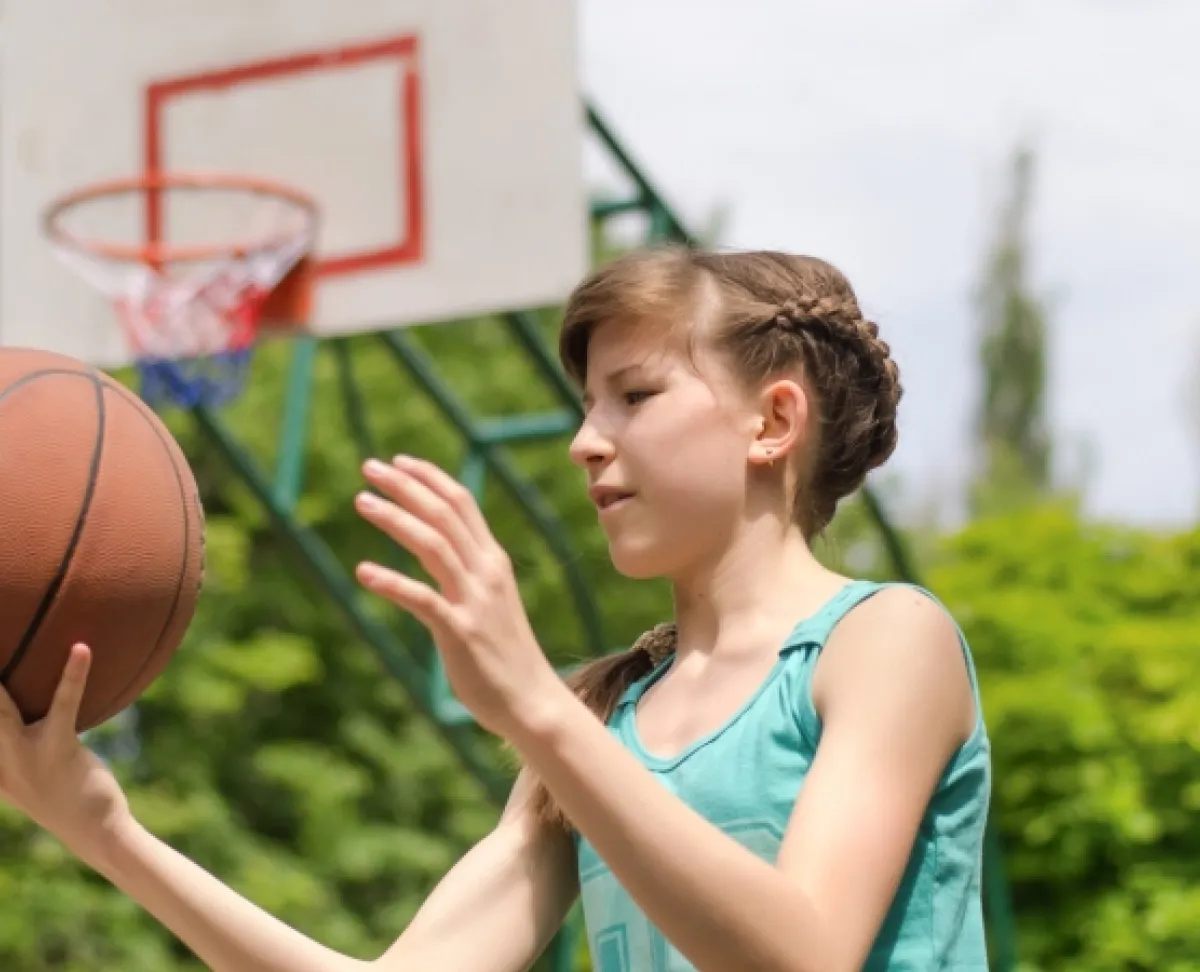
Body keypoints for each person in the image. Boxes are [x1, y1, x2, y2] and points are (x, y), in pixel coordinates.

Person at [0, 245, 990, 971]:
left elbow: (805, 955)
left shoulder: (885, 641)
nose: (585, 441)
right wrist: (103, 833)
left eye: (633, 396)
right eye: (586, 406)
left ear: (772, 420)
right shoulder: (608, 717)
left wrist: (535, 705)